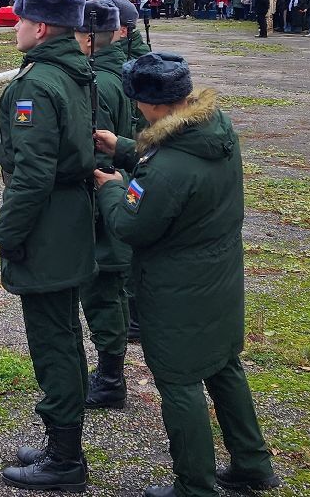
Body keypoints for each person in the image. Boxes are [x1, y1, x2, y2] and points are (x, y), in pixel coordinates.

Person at [92, 53, 280, 497]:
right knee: (223, 367)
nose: (136, 109)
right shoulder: (214, 130)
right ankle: (252, 462)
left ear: (153, 104)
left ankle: (195, 484)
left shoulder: (167, 170)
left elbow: (131, 226)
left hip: (176, 290)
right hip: (220, 279)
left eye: (138, 102)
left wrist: (113, 187)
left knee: (179, 384)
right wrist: (122, 146)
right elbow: (170, 150)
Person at [0, 0, 96, 491]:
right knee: (66, 335)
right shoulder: (71, 72)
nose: (15, 26)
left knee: (53, 341)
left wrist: (6, 233)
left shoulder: (38, 82)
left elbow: (34, 174)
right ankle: (62, 442)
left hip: (49, 224)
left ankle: (65, 459)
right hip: (70, 217)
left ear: (43, 27)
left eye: (21, 19)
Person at [75, 0, 134, 410]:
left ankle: (111, 377)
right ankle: (110, 370)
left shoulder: (98, 80)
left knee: (101, 290)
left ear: (92, 38)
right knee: (110, 287)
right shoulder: (118, 72)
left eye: (80, 34)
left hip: (102, 191)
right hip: (119, 184)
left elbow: (94, 141)